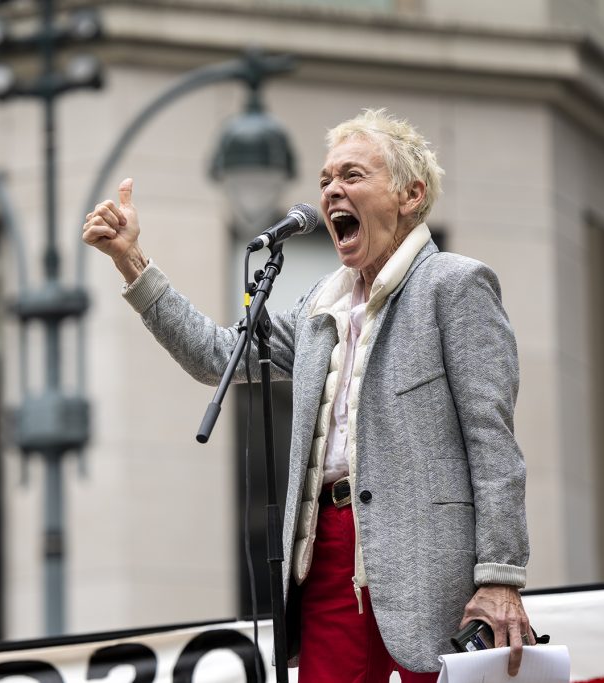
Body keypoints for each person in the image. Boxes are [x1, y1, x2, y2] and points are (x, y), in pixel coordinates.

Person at [82, 109, 532, 681]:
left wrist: (499, 575)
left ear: (411, 194)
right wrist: (132, 260)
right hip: (325, 559)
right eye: (324, 181)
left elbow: (493, 443)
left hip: (433, 564)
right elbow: (218, 357)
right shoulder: (320, 304)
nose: (332, 191)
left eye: (352, 175)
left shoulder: (456, 285)